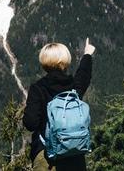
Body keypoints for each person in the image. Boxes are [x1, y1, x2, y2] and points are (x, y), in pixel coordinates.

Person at [23, 38, 96, 171]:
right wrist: (87, 54)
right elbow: (83, 75)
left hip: (46, 156)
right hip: (74, 152)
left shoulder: (38, 88)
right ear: (66, 61)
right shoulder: (74, 87)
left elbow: (30, 123)